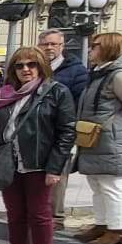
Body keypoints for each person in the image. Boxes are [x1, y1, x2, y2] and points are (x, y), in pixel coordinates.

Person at [0, 47, 77, 244]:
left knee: (39, 215)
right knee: (15, 215)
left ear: (40, 66)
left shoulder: (55, 92)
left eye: (31, 64)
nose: (26, 69)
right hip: (9, 162)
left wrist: (55, 168)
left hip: (38, 163)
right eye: (20, 65)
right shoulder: (5, 94)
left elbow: (66, 132)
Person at [70, 33, 122, 244]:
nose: (90, 50)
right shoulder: (100, 73)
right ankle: (103, 224)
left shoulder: (119, 75)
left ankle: (117, 229)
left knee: (112, 184)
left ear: (108, 48)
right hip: (98, 137)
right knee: (97, 183)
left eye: (95, 46)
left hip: (111, 138)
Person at [40, 30, 91, 223]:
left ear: (62, 46)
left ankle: (55, 218)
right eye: (46, 44)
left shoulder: (76, 70)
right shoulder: (34, 66)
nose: (49, 48)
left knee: (57, 176)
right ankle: (38, 217)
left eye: (54, 44)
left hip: (60, 131)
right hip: (36, 132)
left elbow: (80, 102)